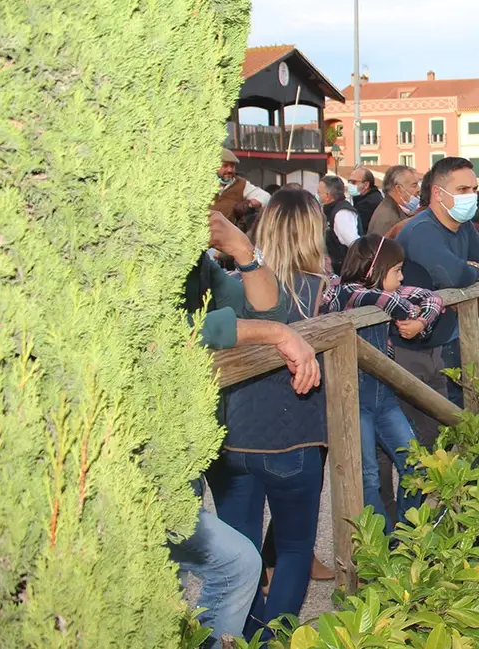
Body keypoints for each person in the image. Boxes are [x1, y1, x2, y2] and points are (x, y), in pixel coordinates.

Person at [172, 212, 316, 649]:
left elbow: (268, 306)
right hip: (142, 451)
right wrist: (274, 333)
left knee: (230, 564)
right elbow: (174, 332)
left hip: (188, 448)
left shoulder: (199, 260)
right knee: (226, 565)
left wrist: (245, 253)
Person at [205, 189, 333, 639]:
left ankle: (245, 636)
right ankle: (272, 641)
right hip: (293, 435)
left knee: (241, 557)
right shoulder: (324, 290)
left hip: (231, 435)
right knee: (295, 549)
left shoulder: (232, 285)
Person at [323, 234, 443, 533]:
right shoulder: (346, 292)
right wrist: (413, 315)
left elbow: (433, 297)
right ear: (373, 269)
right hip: (354, 397)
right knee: (368, 475)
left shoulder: (385, 291)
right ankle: (379, 543)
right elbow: (385, 300)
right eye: (397, 270)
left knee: (414, 463)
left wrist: (420, 321)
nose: (402, 277)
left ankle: (405, 531)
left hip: (383, 396)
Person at [390, 157, 479, 425]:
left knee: (458, 416)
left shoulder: (464, 226)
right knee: (426, 428)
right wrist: (475, 270)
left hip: (450, 338)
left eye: (474, 189)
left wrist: (470, 269)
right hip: (416, 347)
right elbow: (451, 274)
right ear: (437, 193)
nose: (472, 197)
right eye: (463, 190)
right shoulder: (422, 229)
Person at [212, 148, 271, 231]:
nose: (230, 170)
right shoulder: (201, 184)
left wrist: (249, 204)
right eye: (225, 166)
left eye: (232, 166)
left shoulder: (241, 183)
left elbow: (266, 196)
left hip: (229, 236)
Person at [319, 174, 360, 274]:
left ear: (328, 196)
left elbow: (353, 243)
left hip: (342, 270)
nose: (318, 196)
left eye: (319, 193)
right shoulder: (332, 211)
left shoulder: (342, 214)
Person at [368, 165, 419, 237]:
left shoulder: (394, 211)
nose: (418, 189)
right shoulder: (388, 219)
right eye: (414, 185)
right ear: (399, 188)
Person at [349, 167, 383, 233]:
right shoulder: (373, 196)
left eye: (353, 182)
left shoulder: (368, 204)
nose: (350, 185)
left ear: (366, 185)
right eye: (349, 181)